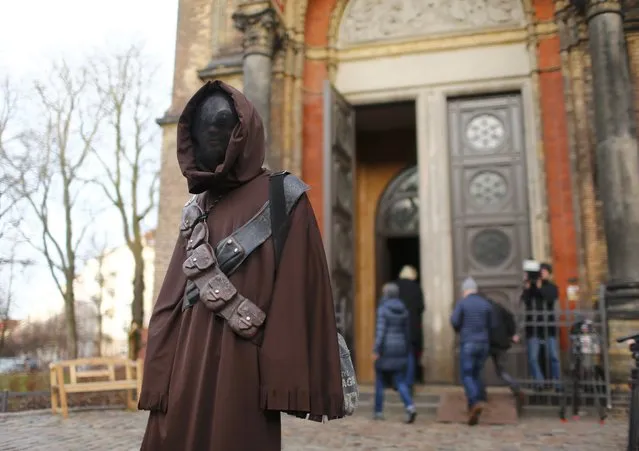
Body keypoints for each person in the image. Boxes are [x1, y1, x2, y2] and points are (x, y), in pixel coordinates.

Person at [138, 81, 345, 450]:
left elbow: (298, 292)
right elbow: (169, 304)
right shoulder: (195, 209)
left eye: (222, 126)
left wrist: (282, 381)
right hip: (184, 366)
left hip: (243, 368)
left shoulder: (284, 196)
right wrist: (158, 378)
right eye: (205, 128)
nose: (212, 135)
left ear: (244, 132)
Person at [372, 282, 417, 424]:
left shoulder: (383, 309)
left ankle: (378, 411)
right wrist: (405, 349)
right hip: (400, 349)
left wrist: (376, 349)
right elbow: (406, 332)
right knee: (400, 380)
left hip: (385, 350)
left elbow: (381, 331)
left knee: (380, 381)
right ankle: (410, 406)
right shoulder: (404, 310)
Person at [450, 277, 493, 426]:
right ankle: (475, 405)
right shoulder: (485, 304)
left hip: (468, 341)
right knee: (477, 373)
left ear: (465, 290)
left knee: (467, 374)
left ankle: (474, 401)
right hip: (483, 342)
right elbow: (492, 324)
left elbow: (454, 321)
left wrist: (460, 330)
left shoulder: (462, 303)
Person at [521, 262, 561, 391]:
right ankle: (539, 382)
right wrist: (527, 287)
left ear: (549, 274)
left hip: (548, 328)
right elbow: (525, 301)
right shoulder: (531, 288)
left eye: (544, 271)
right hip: (534, 328)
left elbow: (550, 298)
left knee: (553, 357)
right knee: (533, 358)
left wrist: (540, 288)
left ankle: (557, 383)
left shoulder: (552, 287)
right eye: (540, 271)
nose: (541, 273)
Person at [481, 295, 523, 408]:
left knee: (478, 368)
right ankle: (515, 386)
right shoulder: (500, 308)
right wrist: (512, 333)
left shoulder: (484, 310)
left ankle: (481, 394)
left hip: (488, 343)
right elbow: (510, 319)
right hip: (501, 344)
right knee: (501, 371)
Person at [394, 265, 425, 391]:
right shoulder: (416, 288)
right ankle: (408, 382)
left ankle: (397, 382)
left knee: (396, 355)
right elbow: (422, 307)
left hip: (396, 326)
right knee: (410, 355)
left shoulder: (395, 287)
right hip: (412, 326)